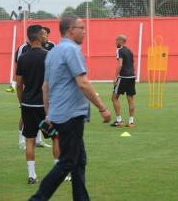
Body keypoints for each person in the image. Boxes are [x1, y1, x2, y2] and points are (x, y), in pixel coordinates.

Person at [29, 15, 111, 201]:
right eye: (81, 27)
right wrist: (102, 108)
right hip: (70, 116)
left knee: (79, 161)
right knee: (67, 162)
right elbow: (82, 83)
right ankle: (37, 198)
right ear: (70, 30)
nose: (84, 31)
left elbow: (45, 87)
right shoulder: (72, 50)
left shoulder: (53, 52)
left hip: (60, 114)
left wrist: (49, 114)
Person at [16, 25, 60, 184]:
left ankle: (32, 175)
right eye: (43, 34)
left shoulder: (23, 58)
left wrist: (22, 103)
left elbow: (18, 85)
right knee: (56, 137)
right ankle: (59, 173)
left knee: (29, 140)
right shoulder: (49, 56)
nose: (45, 37)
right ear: (38, 37)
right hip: (45, 106)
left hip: (28, 105)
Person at [110, 35, 136, 128]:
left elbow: (120, 64)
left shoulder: (119, 50)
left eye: (116, 41)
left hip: (123, 77)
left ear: (119, 41)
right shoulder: (130, 51)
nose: (115, 43)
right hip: (132, 76)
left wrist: (115, 77)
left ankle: (119, 121)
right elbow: (132, 64)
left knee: (114, 98)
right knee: (130, 99)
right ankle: (131, 122)